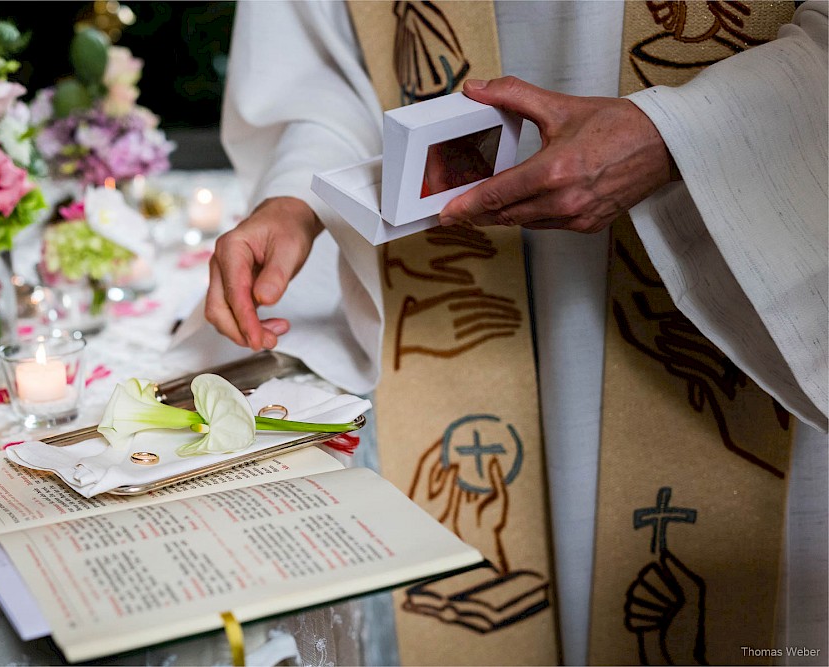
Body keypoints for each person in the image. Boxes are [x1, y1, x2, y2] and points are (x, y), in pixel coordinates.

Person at [184, 1, 827, 663]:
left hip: (733, 273)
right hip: (459, 303)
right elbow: (328, 68)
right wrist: (299, 198)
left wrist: (677, 133)